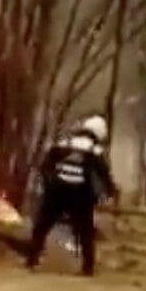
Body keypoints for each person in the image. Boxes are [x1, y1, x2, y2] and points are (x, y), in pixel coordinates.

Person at [26, 113, 119, 276]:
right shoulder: (94, 150)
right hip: (80, 195)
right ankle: (88, 267)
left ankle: (32, 259)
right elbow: (103, 175)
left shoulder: (63, 143)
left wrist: (47, 185)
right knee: (85, 232)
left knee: (42, 226)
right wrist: (110, 193)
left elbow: (46, 165)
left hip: (56, 191)